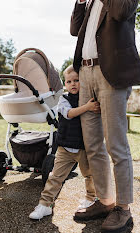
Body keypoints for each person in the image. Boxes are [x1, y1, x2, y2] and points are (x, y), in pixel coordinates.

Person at [70, 0, 140, 233]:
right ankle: (105, 200)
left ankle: (123, 208)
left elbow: (122, 12)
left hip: (111, 73)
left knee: (116, 144)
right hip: (85, 72)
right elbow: (76, 30)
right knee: (93, 145)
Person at [29, 65, 99, 220]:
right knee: (55, 177)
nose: (73, 84)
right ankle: (44, 205)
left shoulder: (87, 97)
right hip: (65, 148)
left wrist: (90, 106)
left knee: (90, 176)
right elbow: (69, 114)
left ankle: (90, 199)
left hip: (83, 148)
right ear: (65, 84)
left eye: (77, 80)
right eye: (69, 81)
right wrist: (87, 107)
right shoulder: (63, 99)